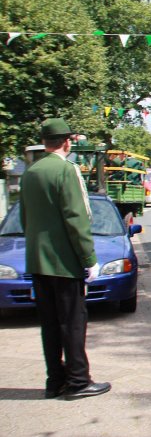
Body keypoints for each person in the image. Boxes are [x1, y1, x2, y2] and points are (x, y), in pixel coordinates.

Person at [20, 117, 111, 400]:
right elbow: (76, 218)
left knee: (49, 324)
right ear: (67, 142)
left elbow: (25, 219)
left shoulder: (31, 172)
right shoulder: (66, 170)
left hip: (38, 260)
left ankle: (54, 380)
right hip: (64, 261)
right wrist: (89, 258)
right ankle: (78, 381)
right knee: (72, 322)